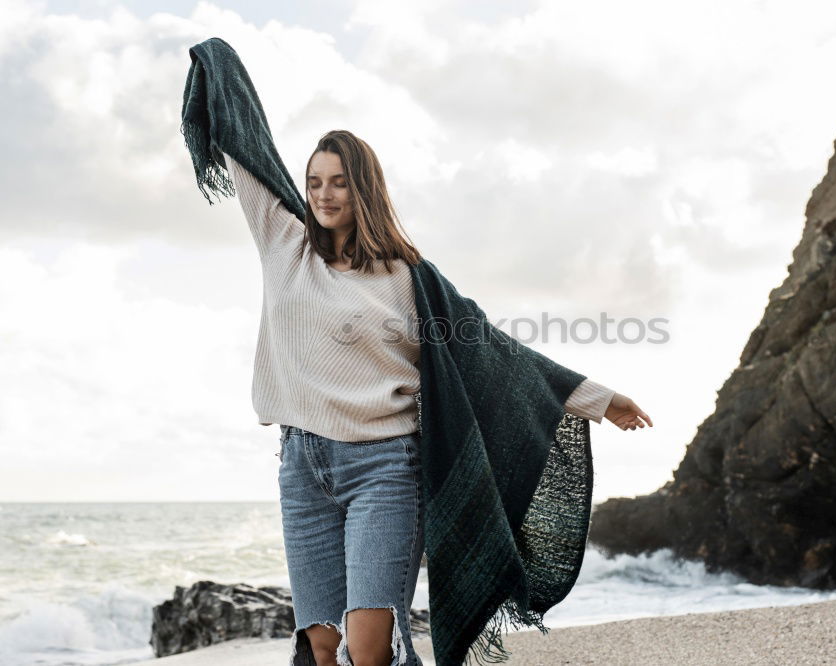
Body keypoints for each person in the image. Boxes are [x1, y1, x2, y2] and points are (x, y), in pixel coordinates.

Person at [222, 129, 652, 666]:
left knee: (371, 643)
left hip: (383, 469)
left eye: (339, 183)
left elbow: (495, 353)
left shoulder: (410, 279)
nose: (324, 195)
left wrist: (597, 398)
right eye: (314, 184)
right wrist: (215, 64)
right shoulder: (284, 248)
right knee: (322, 645)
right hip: (302, 470)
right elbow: (246, 153)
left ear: (364, 190)